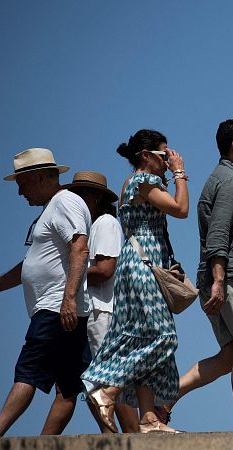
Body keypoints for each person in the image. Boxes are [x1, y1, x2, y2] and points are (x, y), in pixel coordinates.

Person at [0, 148, 91, 438]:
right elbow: (33, 263)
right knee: (67, 385)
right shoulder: (54, 207)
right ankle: (49, 442)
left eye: (22, 184)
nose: (20, 193)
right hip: (61, 306)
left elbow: (80, 246)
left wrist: (68, 297)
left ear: (38, 177)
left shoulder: (65, 202)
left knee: (28, 369)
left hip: (55, 306)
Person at [81, 129, 188, 434]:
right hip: (143, 265)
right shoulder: (145, 181)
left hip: (137, 263)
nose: (168, 161)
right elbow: (181, 210)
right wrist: (180, 173)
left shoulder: (131, 183)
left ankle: (149, 418)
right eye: (164, 155)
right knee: (164, 336)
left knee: (143, 336)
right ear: (146, 155)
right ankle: (109, 390)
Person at [168, 119, 233, 431]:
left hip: (232, 275)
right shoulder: (230, 181)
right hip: (229, 276)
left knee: (230, 354)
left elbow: (229, 237)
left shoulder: (224, 178)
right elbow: (219, 234)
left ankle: (166, 397)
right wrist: (220, 281)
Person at [64, 171, 140, 433]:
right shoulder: (91, 227)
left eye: (83, 193)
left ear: (96, 197)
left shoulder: (104, 223)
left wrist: (68, 273)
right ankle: (112, 435)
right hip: (93, 312)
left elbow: (106, 269)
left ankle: (134, 436)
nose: (77, 200)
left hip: (102, 312)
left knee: (109, 377)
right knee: (92, 381)